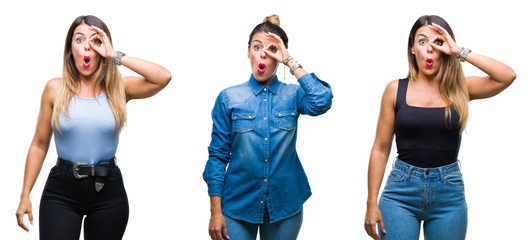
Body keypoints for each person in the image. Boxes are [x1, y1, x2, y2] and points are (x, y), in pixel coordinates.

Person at [15, 15, 171, 240]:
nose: (87, 47)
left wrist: (114, 55)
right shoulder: (54, 89)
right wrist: (25, 195)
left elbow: (163, 77)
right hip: (62, 190)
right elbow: (39, 144)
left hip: (108, 190)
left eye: (95, 41)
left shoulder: (120, 88)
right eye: (79, 40)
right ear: (70, 49)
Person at [364, 15, 516, 240]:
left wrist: (459, 51)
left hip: (449, 196)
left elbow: (507, 76)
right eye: (422, 41)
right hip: (400, 195)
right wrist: (371, 203)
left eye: (438, 42)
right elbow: (381, 147)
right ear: (413, 49)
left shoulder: (461, 88)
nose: (430, 49)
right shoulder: (395, 90)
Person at [203, 14, 333, 240]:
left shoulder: (294, 95)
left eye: (271, 50)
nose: (262, 53)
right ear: (248, 52)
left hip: (286, 203)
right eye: (256, 47)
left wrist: (290, 60)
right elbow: (217, 156)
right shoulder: (228, 98)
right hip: (237, 205)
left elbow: (322, 100)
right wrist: (215, 211)